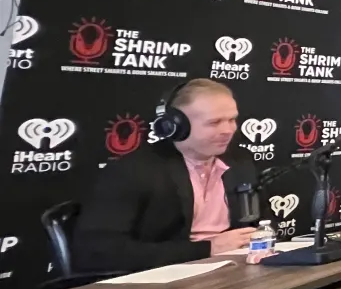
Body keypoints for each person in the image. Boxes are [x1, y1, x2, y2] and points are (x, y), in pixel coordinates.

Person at [77, 78, 261, 272]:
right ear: (175, 124)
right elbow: (96, 252)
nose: (228, 130)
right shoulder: (134, 171)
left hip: (235, 271)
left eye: (232, 120)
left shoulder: (240, 162)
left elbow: (257, 223)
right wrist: (208, 248)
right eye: (214, 123)